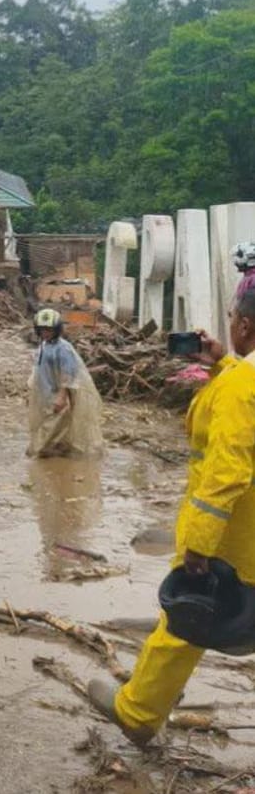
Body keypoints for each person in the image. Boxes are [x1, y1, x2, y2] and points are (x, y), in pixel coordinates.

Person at [89, 296, 255, 745]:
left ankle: (137, 713)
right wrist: (222, 364)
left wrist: (199, 544)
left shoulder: (243, 384)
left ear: (244, 324)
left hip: (235, 534)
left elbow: (227, 471)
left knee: (186, 617)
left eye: (233, 319)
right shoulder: (241, 377)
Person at [27, 308, 103, 458]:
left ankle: (44, 455)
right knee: (52, 427)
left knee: (52, 429)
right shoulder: (44, 345)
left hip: (57, 396)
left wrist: (62, 396)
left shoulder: (63, 349)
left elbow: (68, 375)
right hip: (45, 394)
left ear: (57, 330)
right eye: (42, 330)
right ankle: (56, 454)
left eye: (49, 330)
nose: (45, 333)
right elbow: (38, 371)